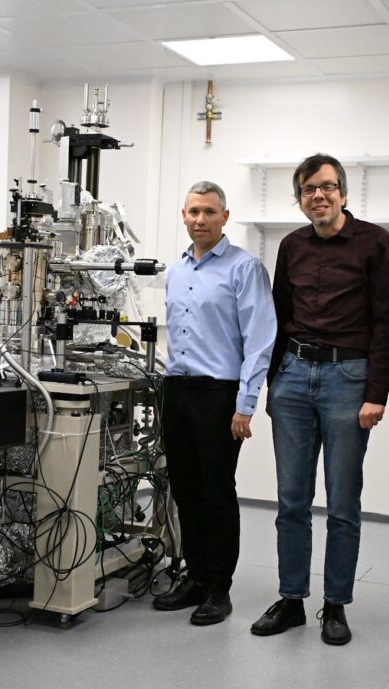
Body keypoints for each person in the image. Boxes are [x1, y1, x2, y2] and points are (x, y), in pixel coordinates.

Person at [250, 154, 389, 644]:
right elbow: (277, 316)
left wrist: (376, 393)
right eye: (309, 189)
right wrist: (274, 384)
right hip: (293, 375)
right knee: (291, 500)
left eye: (328, 187)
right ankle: (292, 599)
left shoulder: (376, 242)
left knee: (342, 502)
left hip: (347, 377)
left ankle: (335, 604)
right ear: (299, 199)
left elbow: (387, 324)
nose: (319, 196)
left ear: (343, 193)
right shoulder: (292, 246)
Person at [154, 181, 276, 626]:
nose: (200, 219)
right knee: (185, 489)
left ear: (225, 216)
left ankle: (219, 589)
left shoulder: (245, 269)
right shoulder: (177, 269)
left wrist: (244, 405)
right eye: (192, 212)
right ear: (183, 216)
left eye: (208, 212)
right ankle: (195, 576)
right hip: (178, 389)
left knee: (217, 492)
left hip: (218, 394)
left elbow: (260, 340)